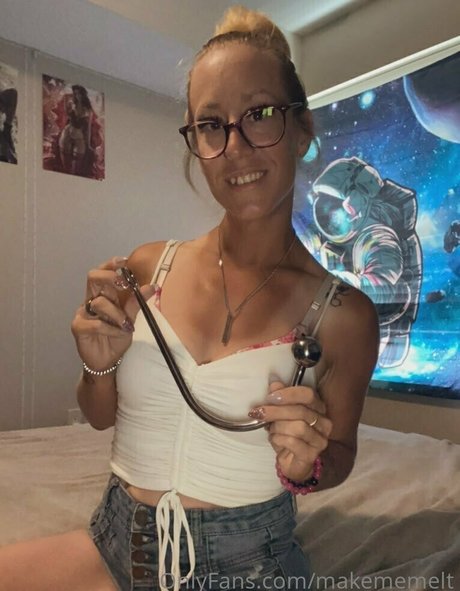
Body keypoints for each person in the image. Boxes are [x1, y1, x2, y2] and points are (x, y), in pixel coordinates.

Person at [0, 5, 379, 591]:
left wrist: (308, 462)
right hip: (114, 543)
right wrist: (97, 363)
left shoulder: (343, 315)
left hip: (249, 569)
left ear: (303, 128)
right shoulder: (147, 268)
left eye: (260, 114)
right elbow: (99, 416)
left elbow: (342, 454)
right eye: (211, 125)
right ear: (195, 141)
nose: (235, 147)